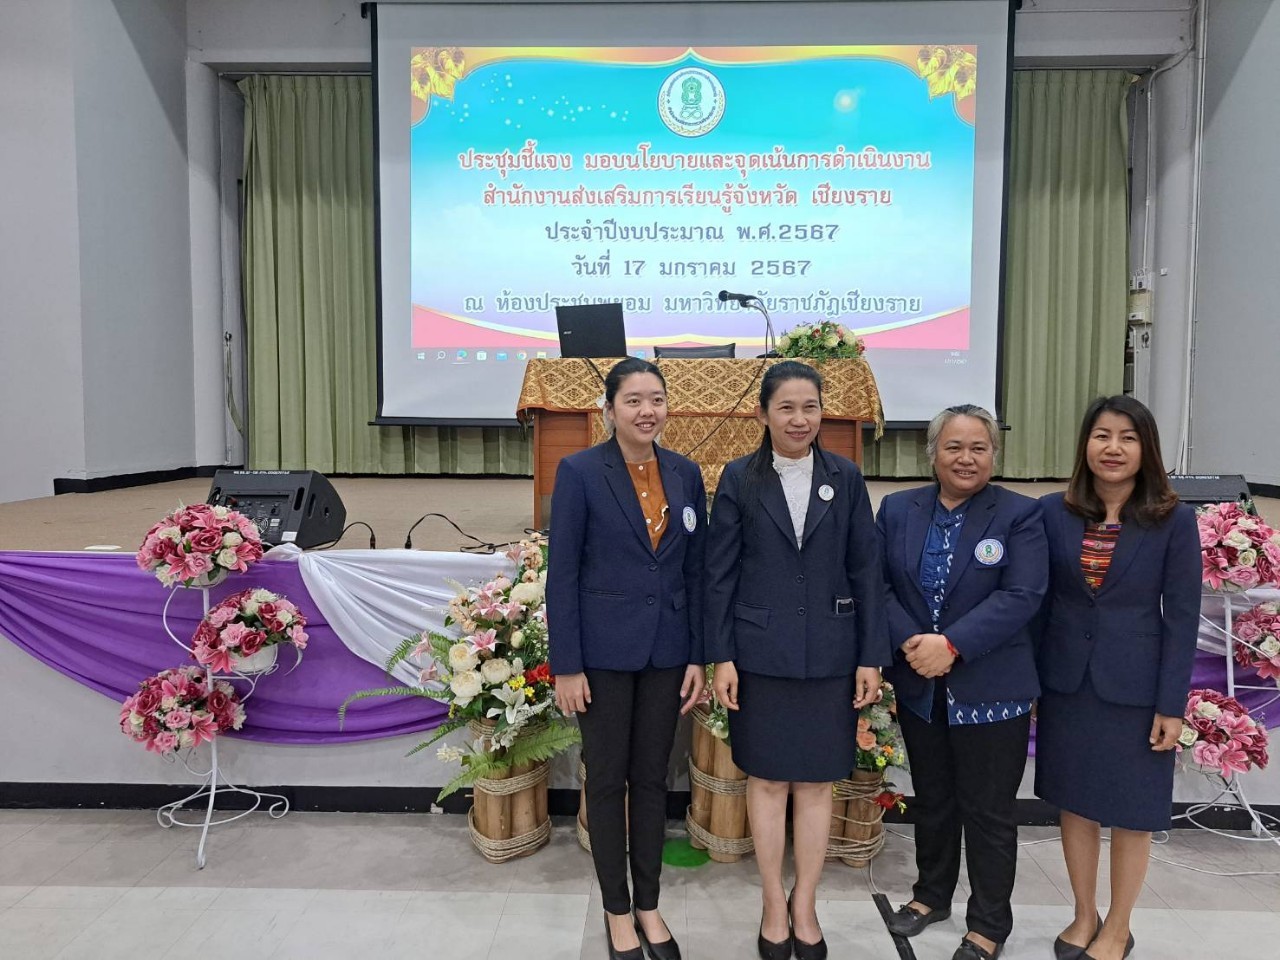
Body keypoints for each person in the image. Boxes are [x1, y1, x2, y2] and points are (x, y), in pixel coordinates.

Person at [705, 360, 889, 960]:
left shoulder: (847, 477)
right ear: (763, 415)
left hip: (832, 654)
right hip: (759, 655)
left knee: (815, 783)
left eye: (810, 407)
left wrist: (870, 655)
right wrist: (721, 655)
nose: (799, 418)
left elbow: (867, 569)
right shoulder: (739, 478)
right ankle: (770, 901)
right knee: (766, 780)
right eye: (786, 407)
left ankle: (805, 902)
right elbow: (720, 574)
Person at [547, 357, 707, 960]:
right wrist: (567, 663)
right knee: (608, 781)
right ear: (609, 409)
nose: (648, 411)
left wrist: (697, 654)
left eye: (657, 399)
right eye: (634, 400)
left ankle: (649, 903)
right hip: (603, 655)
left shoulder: (686, 473)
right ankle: (617, 911)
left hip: (667, 652)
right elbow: (561, 573)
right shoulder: (581, 471)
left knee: (654, 780)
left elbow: (694, 571)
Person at [876, 404, 1048, 960]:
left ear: (994, 454)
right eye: (954, 447)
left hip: (992, 690)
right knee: (933, 800)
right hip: (921, 687)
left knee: (989, 811)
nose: (966, 458)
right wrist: (910, 642)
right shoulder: (898, 509)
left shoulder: (1022, 514)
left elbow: (1021, 595)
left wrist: (950, 645)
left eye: (979, 447)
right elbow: (878, 587)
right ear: (932, 454)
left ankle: (989, 923)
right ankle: (930, 896)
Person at [1034, 396, 1200, 960]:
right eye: (1102, 435)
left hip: (1136, 688)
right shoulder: (1054, 513)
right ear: (1085, 444)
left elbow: (1180, 616)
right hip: (1066, 684)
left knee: (1132, 811)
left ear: (1145, 448)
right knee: (1074, 802)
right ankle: (1084, 914)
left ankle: (1119, 925)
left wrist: (1171, 705)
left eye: (1127, 437)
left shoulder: (1174, 519)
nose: (1113, 448)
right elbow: (1040, 603)